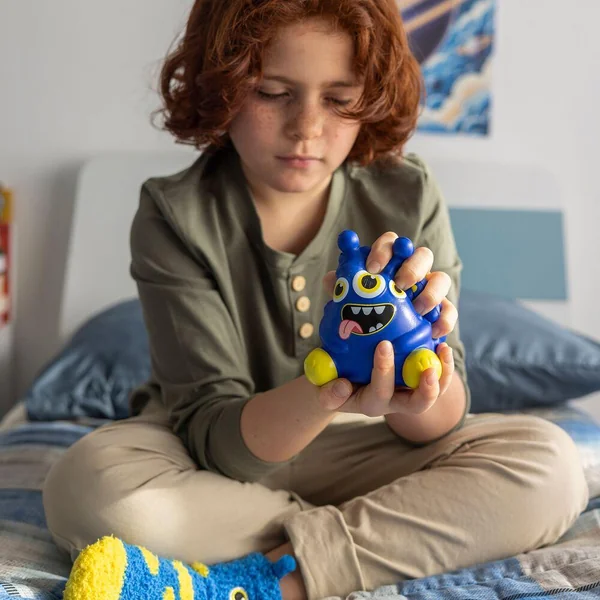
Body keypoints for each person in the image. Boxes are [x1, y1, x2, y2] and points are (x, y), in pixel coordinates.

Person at [42, 1, 588, 599]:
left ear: (369, 98)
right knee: (85, 486)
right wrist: (329, 389)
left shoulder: (408, 193)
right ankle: (371, 538)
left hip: (373, 453)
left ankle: (266, 578)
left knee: (552, 466)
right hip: (216, 461)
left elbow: (441, 423)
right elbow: (218, 442)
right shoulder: (176, 214)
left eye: (339, 98)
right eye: (273, 92)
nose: (306, 128)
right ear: (221, 87)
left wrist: (424, 369)